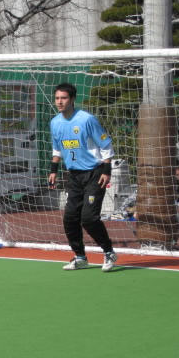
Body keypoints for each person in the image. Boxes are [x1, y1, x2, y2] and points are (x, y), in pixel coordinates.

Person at [47, 82, 118, 272]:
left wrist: (107, 170)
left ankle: (109, 252)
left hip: (95, 174)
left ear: (72, 99)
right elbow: (57, 148)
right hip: (74, 176)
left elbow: (106, 145)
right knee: (70, 218)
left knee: (89, 218)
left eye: (64, 98)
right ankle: (80, 257)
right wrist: (53, 170)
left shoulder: (87, 119)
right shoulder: (55, 123)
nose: (59, 102)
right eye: (57, 98)